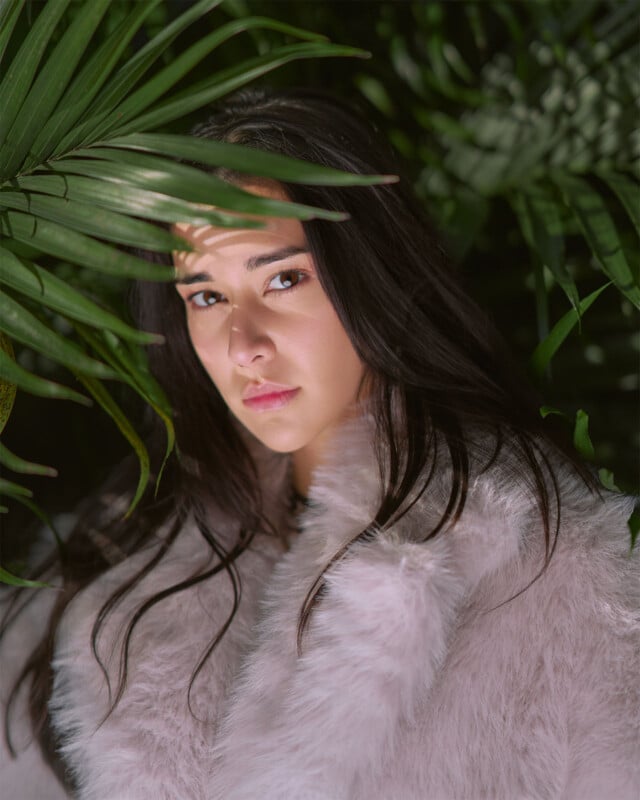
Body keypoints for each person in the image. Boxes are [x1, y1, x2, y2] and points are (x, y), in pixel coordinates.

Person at [1, 87, 638, 800]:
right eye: (206, 297)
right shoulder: (120, 557)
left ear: (369, 272)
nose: (244, 345)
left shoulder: (558, 564)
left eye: (283, 278)